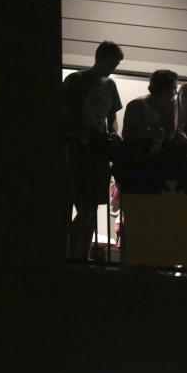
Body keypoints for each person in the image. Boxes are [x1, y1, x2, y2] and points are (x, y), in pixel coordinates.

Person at [62, 40, 124, 261]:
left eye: (115, 64)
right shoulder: (75, 80)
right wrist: (76, 132)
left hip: (97, 149)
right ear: (99, 58)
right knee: (74, 197)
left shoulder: (110, 85)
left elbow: (113, 118)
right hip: (76, 147)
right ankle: (70, 251)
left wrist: (114, 133)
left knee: (90, 205)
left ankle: (79, 253)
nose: (112, 68)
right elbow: (63, 113)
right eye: (110, 63)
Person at [115, 69, 179, 194]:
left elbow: (172, 133)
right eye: (173, 88)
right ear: (162, 88)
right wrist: (150, 134)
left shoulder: (173, 105)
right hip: (135, 164)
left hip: (161, 165)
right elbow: (126, 135)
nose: (176, 92)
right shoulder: (136, 105)